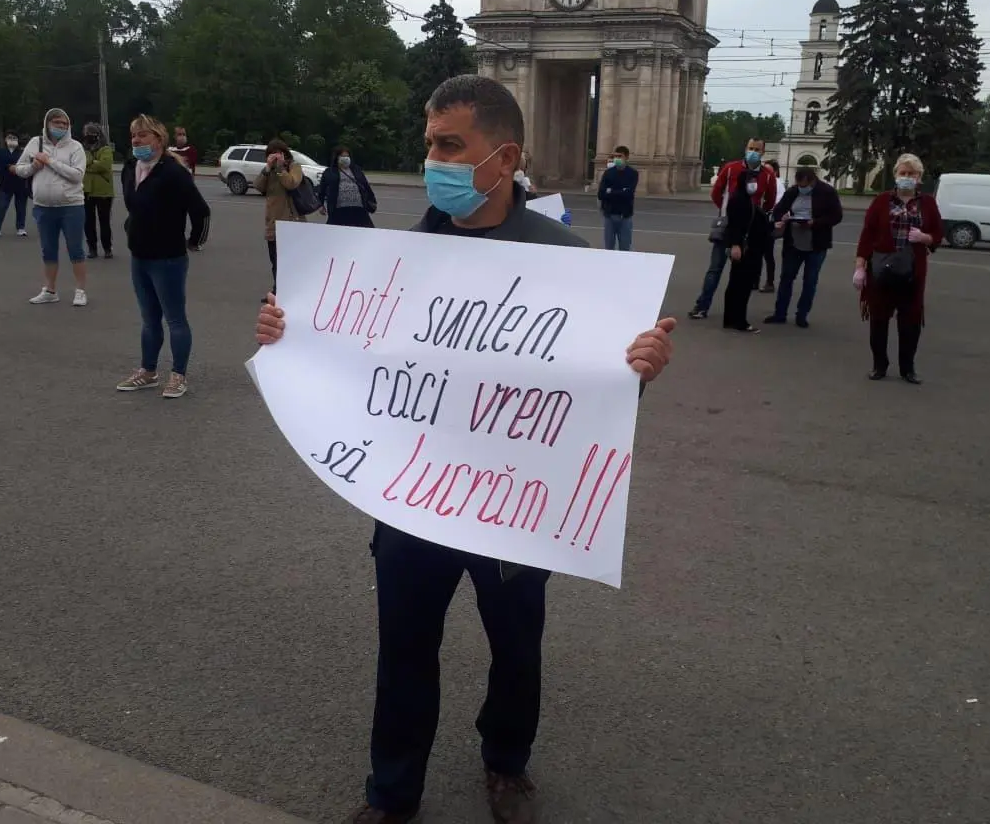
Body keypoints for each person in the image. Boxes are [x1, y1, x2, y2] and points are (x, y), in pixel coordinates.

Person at [255, 74, 676, 824]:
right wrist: (290, 338)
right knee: (404, 648)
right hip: (410, 499)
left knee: (516, 647)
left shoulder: (567, 260)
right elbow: (353, 365)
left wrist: (637, 367)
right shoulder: (395, 259)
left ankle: (506, 761)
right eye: (429, 145)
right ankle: (392, 793)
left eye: (450, 146)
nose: (433, 162)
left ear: (504, 157)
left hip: (514, 507)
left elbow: (594, 400)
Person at [116, 114, 211, 399]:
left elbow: (201, 211)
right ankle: (148, 372)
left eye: (143, 135)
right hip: (140, 256)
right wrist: (131, 228)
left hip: (168, 259)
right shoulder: (130, 168)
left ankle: (178, 375)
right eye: (133, 135)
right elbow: (136, 208)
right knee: (149, 319)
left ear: (159, 139)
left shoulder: (173, 172)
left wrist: (194, 241)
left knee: (175, 319)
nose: (136, 140)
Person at [853, 153, 944, 384]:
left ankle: (907, 368)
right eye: (903, 173)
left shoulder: (927, 203)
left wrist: (924, 237)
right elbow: (867, 235)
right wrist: (860, 267)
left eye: (911, 173)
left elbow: (938, 234)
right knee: (878, 319)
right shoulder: (881, 201)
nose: (906, 177)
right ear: (895, 175)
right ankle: (879, 365)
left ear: (919, 177)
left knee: (910, 322)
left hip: (913, 272)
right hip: (881, 270)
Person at [688, 138, 777, 319]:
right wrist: (727, 211)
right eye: (750, 148)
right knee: (715, 269)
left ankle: (735, 312)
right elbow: (716, 193)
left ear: (763, 153)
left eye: (757, 149)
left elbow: (770, 201)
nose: (753, 152)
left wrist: (756, 216)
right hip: (727, 226)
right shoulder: (731, 169)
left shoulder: (767, 175)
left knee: (741, 274)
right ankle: (702, 306)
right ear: (745, 149)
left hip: (750, 230)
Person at [15, 108, 89, 306]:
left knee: (75, 249)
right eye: (57, 123)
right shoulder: (36, 143)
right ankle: (50, 290)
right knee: (48, 249)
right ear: (47, 124)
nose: (61, 126)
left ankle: (80, 290)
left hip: (71, 206)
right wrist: (33, 167)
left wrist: (49, 161)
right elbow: (20, 169)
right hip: (43, 206)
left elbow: (77, 175)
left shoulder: (75, 147)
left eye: (65, 123)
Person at [763, 167, 843, 327]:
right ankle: (780, 313)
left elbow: (836, 216)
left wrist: (816, 222)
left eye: (804, 186)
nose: (801, 188)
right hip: (793, 242)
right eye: (799, 185)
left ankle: (802, 315)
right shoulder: (793, 192)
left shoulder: (827, 192)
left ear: (812, 182)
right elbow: (778, 210)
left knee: (810, 281)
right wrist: (782, 218)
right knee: (786, 278)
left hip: (817, 244)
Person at [721, 163, 775, 333]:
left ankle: (731, 319)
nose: (754, 184)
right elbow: (735, 225)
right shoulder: (738, 200)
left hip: (748, 247)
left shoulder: (745, 199)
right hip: (745, 249)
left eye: (755, 181)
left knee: (737, 283)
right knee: (742, 285)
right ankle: (739, 321)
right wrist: (735, 244)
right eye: (751, 181)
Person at [255, 139, 307, 302]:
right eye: (272, 154)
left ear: (285, 153)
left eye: (278, 153)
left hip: (291, 221)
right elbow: (258, 186)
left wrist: (280, 168)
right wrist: (267, 168)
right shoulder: (269, 171)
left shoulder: (294, 167)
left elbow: (292, 183)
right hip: (273, 221)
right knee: (275, 261)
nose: (275, 156)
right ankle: (278, 291)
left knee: (291, 260)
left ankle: (295, 291)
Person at [316, 147, 377, 228]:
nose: (345, 158)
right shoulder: (329, 172)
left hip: (359, 209)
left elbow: (366, 186)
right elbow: (322, 190)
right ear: (337, 157)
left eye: (347, 156)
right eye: (342, 156)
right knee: (335, 231)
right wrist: (320, 205)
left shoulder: (356, 170)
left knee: (366, 231)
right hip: (338, 210)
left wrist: (372, 201)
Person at [0, 130, 29, 238]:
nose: (12, 140)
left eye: (14, 138)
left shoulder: (23, 153)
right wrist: (9, 167)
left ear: (18, 140)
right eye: (10, 137)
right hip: (4, 184)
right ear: (5, 139)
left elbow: (26, 165)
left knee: (21, 207)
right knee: (1, 207)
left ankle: (21, 228)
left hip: (21, 184)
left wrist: (16, 168)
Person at [82, 123, 115, 259]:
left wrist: (91, 164)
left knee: (104, 221)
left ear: (98, 135)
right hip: (87, 191)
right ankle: (92, 248)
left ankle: (107, 248)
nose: (88, 136)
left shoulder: (106, 149)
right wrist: (94, 162)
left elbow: (104, 165)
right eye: (86, 133)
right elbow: (82, 163)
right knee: (88, 222)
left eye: (91, 133)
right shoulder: (82, 149)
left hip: (104, 192)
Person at [598, 145, 638, 250]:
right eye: (615, 156)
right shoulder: (608, 173)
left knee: (624, 248)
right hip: (609, 216)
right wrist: (621, 191)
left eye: (620, 156)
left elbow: (629, 194)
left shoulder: (632, 173)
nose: (617, 159)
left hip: (625, 216)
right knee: (608, 248)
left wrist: (610, 191)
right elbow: (601, 194)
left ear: (626, 157)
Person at [756, 160, 785, 292]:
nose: (765, 171)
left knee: (767, 253)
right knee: (756, 252)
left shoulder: (778, 184)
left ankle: (770, 282)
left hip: (769, 221)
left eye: (768, 169)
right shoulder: (761, 180)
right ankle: (755, 280)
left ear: (775, 172)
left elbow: (778, 203)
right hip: (758, 220)